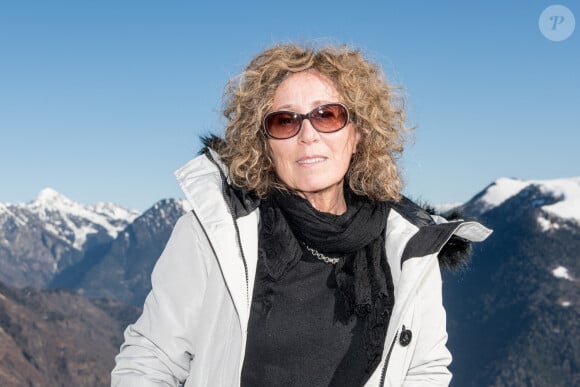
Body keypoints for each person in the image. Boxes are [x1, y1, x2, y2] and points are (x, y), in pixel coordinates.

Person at [111, 43, 491, 387]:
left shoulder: (408, 247)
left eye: (326, 115)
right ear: (263, 144)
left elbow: (425, 369)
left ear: (357, 134)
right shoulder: (213, 235)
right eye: (284, 121)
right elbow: (152, 360)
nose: (307, 134)